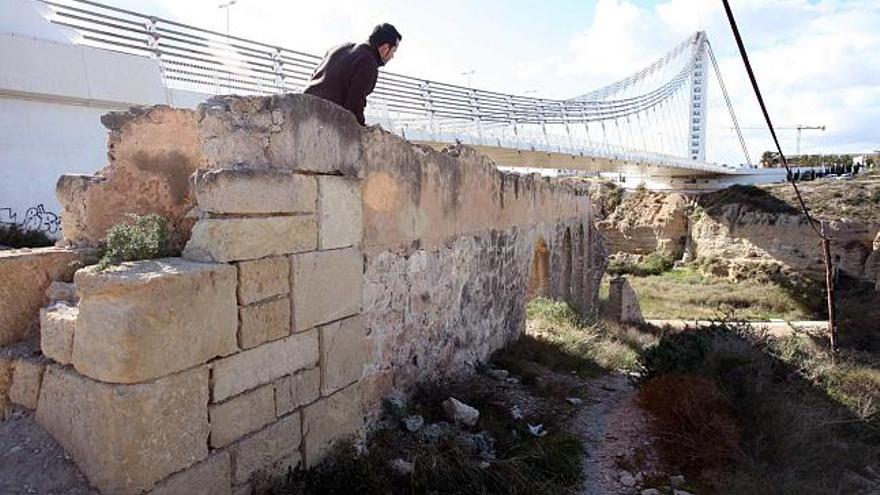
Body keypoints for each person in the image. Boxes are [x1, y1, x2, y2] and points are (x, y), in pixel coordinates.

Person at [303, 23, 402, 126]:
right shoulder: (368, 62)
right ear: (385, 48)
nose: (392, 56)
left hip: (302, 108)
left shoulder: (339, 48)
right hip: (321, 120)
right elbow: (353, 107)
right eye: (393, 51)